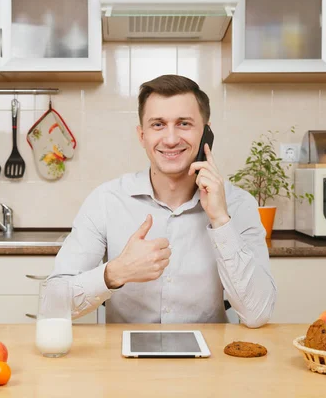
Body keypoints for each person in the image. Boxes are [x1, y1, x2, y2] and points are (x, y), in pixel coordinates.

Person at [48, 74, 276, 327]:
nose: (170, 139)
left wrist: (221, 221)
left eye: (184, 124)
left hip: (212, 361)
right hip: (121, 361)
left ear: (206, 132)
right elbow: (53, 302)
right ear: (141, 135)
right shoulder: (106, 201)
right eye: (158, 125)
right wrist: (115, 273)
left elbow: (258, 315)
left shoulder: (238, 204)